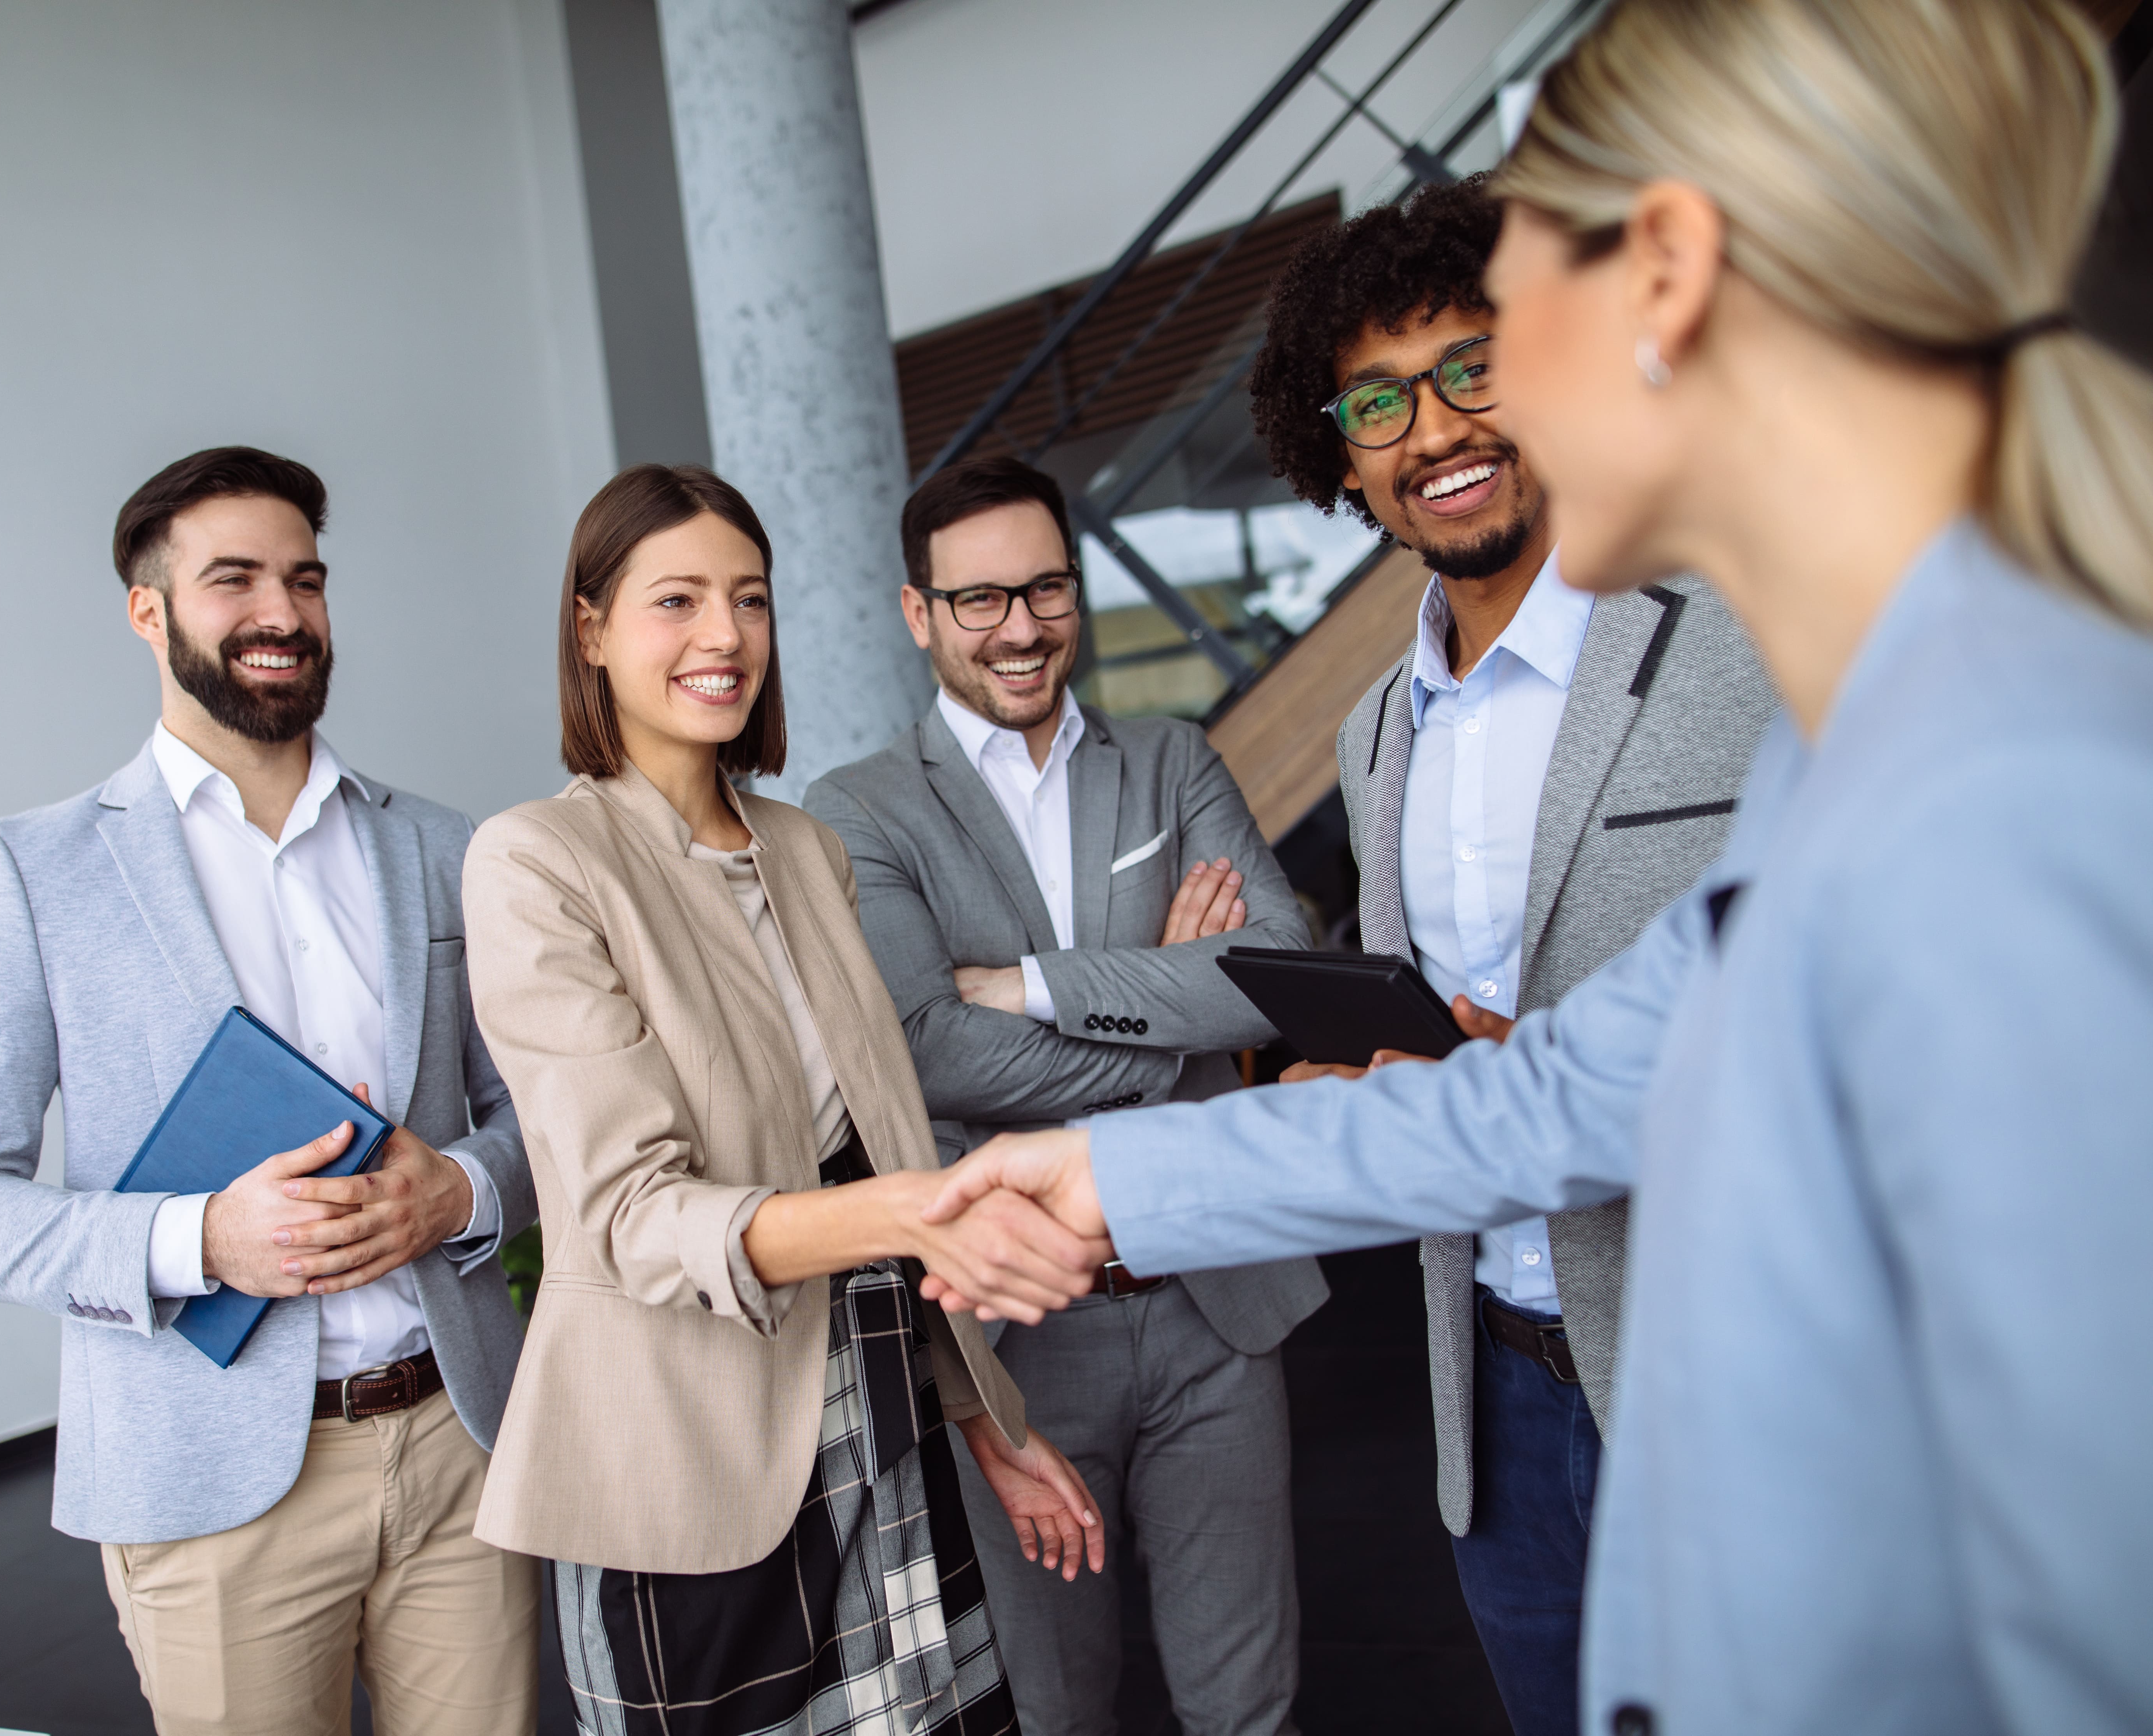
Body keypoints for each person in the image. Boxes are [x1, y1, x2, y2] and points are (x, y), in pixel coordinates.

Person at [917, 1, 2153, 1730]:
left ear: (1664, 275)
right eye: (1382, 396)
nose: (1455, 412)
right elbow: (1555, 1093)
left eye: (1510, 318)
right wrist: (1113, 1177)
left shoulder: (2007, 784)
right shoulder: (1867, 741)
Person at [0, 448, 542, 1736]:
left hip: (461, 1445)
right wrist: (201, 1240)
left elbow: (545, 1122)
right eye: (233, 579)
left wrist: (462, 1189)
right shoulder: (38, 869)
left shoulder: (443, 845)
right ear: (149, 611)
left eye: (305, 579)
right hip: (209, 1479)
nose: (281, 613)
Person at [459, 464, 1109, 1736]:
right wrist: (923, 1212)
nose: (725, 637)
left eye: (750, 600)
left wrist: (984, 1415)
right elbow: (635, 1219)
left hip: (876, 1395)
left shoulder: (807, 848)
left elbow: (877, 1140)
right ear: (590, 630)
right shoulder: (538, 860)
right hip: (686, 1449)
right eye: (678, 601)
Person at [1245, 178, 1773, 1734]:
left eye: (1474, 367)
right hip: (1495, 1392)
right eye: (1379, 400)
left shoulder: (1735, 634)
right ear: (1337, 452)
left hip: (1730, 1368)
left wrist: (1519, 1073)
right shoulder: (1373, 734)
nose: (1434, 427)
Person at [803, 455, 1327, 1736]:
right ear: (918, 613)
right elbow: (928, 1047)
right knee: (1055, 1708)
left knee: (1248, 1701)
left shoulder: (1169, 761)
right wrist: (1171, 1013)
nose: (1022, 629)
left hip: (1214, 1298)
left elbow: (1281, 974)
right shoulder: (859, 810)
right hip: (1022, 1338)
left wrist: (1032, 983)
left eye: (1045, 590)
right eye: (979, 601)